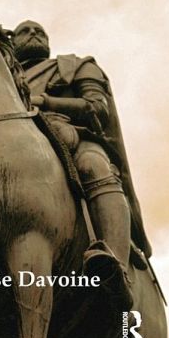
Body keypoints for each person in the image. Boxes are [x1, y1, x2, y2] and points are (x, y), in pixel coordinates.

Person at [12, 20, 152, 309]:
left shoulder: (75, 65)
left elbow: (97, 109)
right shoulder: (1, 79)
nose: (34, 34)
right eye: (25, 31)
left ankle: (115, 269)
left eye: (40, 31)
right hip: (15, 143)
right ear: (12, 43)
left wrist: (45, 101)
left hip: (73, 136)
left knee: (93, 166)